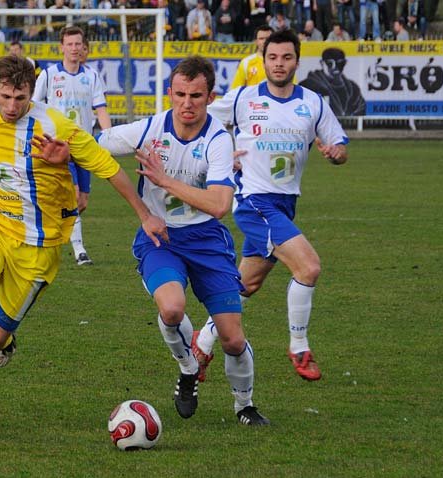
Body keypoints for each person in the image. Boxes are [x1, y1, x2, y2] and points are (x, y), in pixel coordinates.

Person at [0, 55, 167, 429]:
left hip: (37, 250)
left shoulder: (57, 127)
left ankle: (4, 341)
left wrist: (144, 213)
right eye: (4, 97)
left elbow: (108, 168)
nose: (11, 106)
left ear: (31, 92)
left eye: (19, 98)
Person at [97, 56, 270, 426]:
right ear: (169, 93)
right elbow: (97, 145)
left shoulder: (219, 140)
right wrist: (65, 147)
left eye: (196, 95)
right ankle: (189, 368)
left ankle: (245, 406)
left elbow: (220, 204)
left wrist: (165, 182)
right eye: (179, 94)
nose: (186, 103)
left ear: (209, 97)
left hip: (208, 239)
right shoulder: (149, 129)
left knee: (232, 340)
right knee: (172, 309)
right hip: (161, 238)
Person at [201, 29, 348, 383]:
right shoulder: (242, 99)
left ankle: (201, 343)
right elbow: (194, 118)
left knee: (245, 285)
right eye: (272, 57)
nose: (279, 64)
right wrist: (220, 155)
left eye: (286, 57)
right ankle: (299, 346)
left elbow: (340, 144)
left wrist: (335, 153)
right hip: (252, 201)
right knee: (309, 268)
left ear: (297, 60)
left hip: (284, 203)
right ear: (262, 60)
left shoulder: (313, 102)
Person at [32, 26, 112, 266]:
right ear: (62, 47)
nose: (74, 48)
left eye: (78, 44)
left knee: (82, 201)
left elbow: (101, 109)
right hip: (59, 147)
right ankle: (79, 250)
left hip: (83, 145)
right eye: (70, 44)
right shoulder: (49, 74)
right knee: (73, 194)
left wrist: (108, 138)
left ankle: (52, 225)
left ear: (83, 47)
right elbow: (34, 107)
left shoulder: (92, 76)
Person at [299, 47, 366, 116]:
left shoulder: (353, 88)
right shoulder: (308, 85)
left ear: (345, 63)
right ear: (322, 63)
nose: (335, 67)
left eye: (340, 63)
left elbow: (361, 108)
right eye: (330, 63)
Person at [230, 25, 273, 89]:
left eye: (268, 38)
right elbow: (235, 91)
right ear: (256, 42)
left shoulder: (282, 62)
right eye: (261, 39)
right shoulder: (246, 62)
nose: (265, 41)